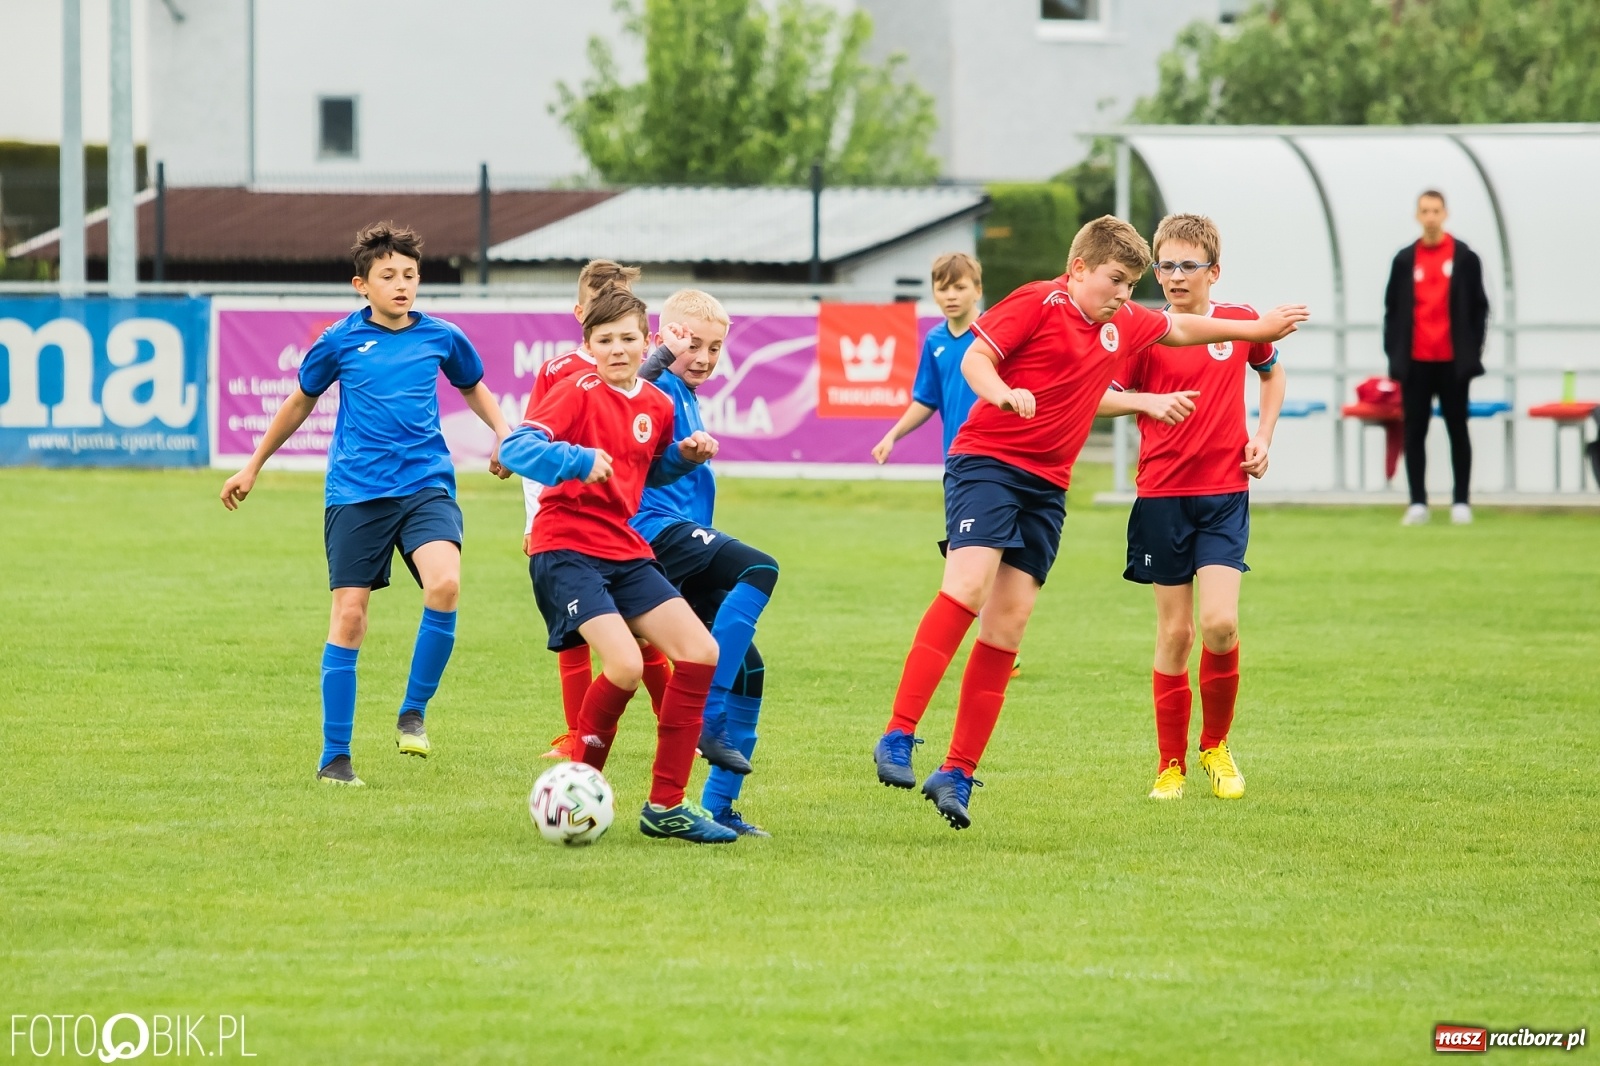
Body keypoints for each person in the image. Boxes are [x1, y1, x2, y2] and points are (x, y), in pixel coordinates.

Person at [870, 215, 1308, 830]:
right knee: (967, 588)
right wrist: (1002, 394)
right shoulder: (1037, 301)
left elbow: (1179, 327)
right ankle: (898, 732)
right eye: (1117, 281)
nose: (1126, 294)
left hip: (1049, 486)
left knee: (1009, 624)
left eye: (1132, 283)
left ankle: (958, 771)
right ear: (1078, 270)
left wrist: (1258, 329)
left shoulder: (1122, 322)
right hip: (989, 464)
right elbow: (976, 362)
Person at [220, 221, 512, 786]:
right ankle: (335, 757)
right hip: (356, 493)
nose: (402, 285)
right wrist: (252, 465)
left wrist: (504, 431)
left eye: (410, 275)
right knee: (350, 617)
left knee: (445, 584)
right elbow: (298, 403)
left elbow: (473, 386)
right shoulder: (339, 342)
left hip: (426, 484)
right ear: (362, 284)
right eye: (388, 276)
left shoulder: (442, 336)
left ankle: (414, 709)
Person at [498, 288, 736, 844]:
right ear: (589, 346)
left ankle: (666, 806)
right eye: (604, 341)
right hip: (565, 548)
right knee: (626, 665)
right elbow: (515, 450)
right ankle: (578, 785)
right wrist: (576, 459)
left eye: (628, 338)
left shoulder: (656, 403)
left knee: (701, 652)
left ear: (646, 340)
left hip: (624, 548)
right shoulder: (574, 392)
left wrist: (684, 457)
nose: (617, 349)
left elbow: (645, 473)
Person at [1095, 213, 1286, 801]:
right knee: (1175, 634)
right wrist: (1148, 405)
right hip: (1161, 498)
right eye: (1166, 266)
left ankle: (1216, 746)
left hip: (1224, 495)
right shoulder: (1141, 330)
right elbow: (1100, 397)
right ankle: (1169, 764)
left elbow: (1271, 374)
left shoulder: (1236, 323)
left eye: (1187, 266)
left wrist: (1264, 436)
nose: (1174, 277)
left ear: (1213, 272)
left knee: (1221, 624)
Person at [633, 289, 780, 836]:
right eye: (691, 343)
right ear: (662, 339)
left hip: (682, 541)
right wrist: (664, 357)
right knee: (758, 569)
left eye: (714, 347)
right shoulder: (657, 384)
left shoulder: (687, 393)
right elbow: (635, 394)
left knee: (751, 671)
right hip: (655, 532)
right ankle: (706, 715)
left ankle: (719, 809)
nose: (703, 356)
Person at [523, 260, 674, 760]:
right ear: (583, 320)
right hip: (564, 532)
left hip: (622, 535)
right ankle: (578, 742)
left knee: (650, 643)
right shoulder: (563, 375)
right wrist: (532, 517)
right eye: (602, 323)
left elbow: (650, 460)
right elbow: (529, 449)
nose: (617, 344)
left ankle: (672, 723)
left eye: (628, 332)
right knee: (580, 640)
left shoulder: (648, 393)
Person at [870, 255, 1028, 681]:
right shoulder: (936, 341)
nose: (950, 295)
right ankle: (994, 645)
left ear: (978, 289)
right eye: (943, 287)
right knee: (972, 555)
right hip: (961, 466)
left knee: (992, 558)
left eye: (959, 287)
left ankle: (995, 642)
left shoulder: (998, 332)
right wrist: (892, 436)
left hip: (1003, 461)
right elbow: (927, 399)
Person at [1383, 189, 1490, 526]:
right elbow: (1392, 311)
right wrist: (1395, 354)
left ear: (1445, 214)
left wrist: (1472, 351)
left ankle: (1461, 501)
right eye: (1424, 211)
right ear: (1417, 215)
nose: (1430, 217)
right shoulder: (1404, 260)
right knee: (1414, 431)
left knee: (1458, 429)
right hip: (1415, 363)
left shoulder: (1464, 258)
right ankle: (1418, 502)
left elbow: (1479, 309)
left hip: (1453, 363)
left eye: (1436, 211)